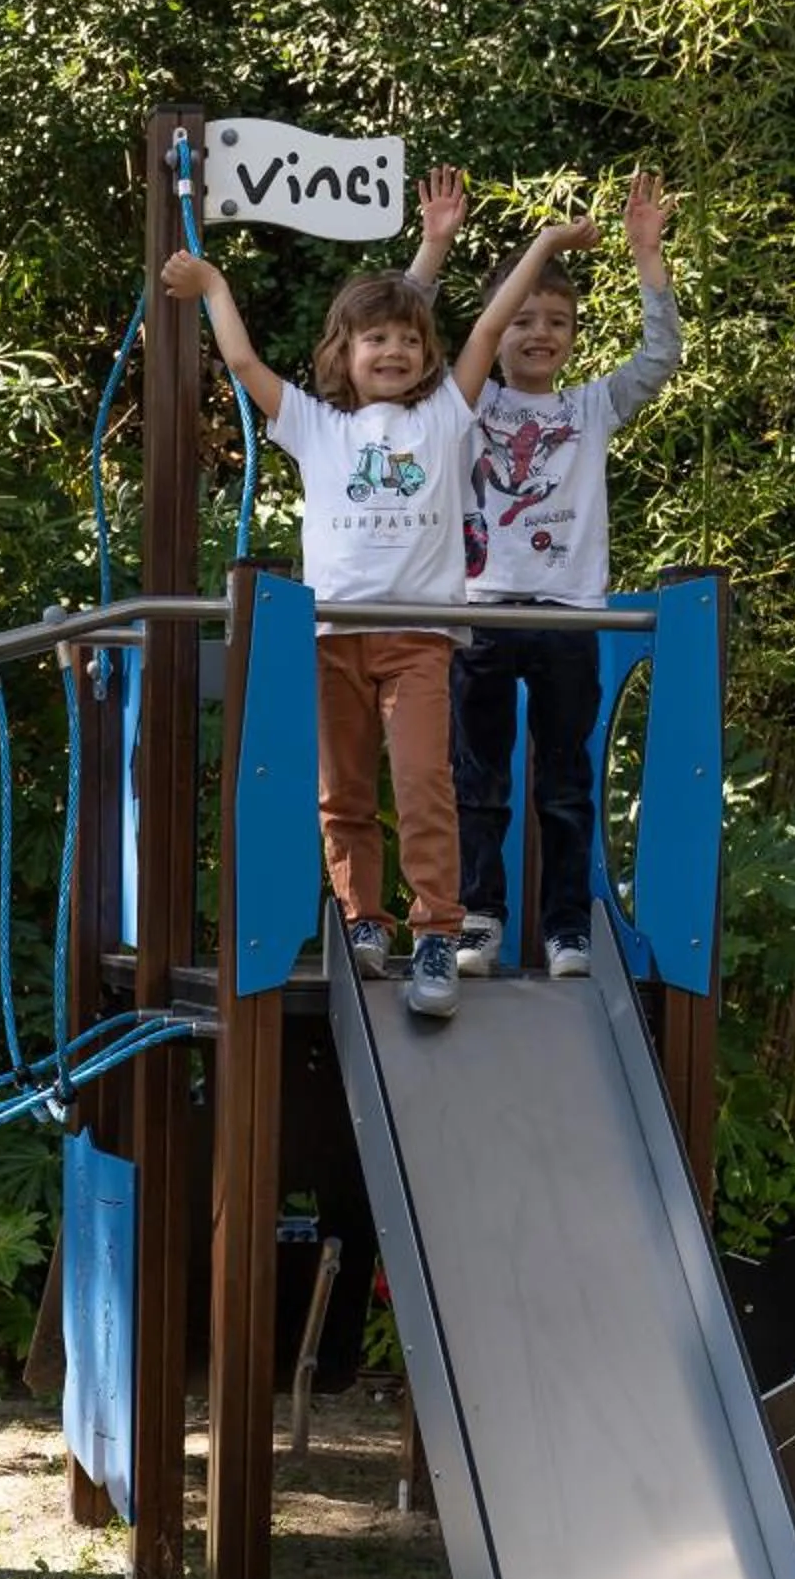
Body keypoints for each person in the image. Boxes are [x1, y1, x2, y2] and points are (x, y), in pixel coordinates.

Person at [161, 195, 595, 1017]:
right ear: (345, 352)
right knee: (344, 791)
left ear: (427, 353)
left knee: (427, 782)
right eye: (375, 338)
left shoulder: (444, 417)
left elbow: (485, 329)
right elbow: (247, 367)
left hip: (417, 640)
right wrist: (216, 285)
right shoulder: (317, 427)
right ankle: (365, 920)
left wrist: (539, 245)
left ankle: (437, 930)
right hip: (334, 640)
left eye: (406, 338)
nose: (392, 349)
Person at [419, 172, 682, 979]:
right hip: (482, 611)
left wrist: (647, 256)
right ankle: (481, 917)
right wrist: (435, 248)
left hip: (571, 615)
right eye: (523, 318)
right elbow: (401, 333)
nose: (540, 333)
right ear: (494, 331)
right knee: (479, 779)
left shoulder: (590, 407)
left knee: (566, 783)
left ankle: (566, 926)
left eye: (558, 321)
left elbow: (660, 356)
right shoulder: (465, 403)